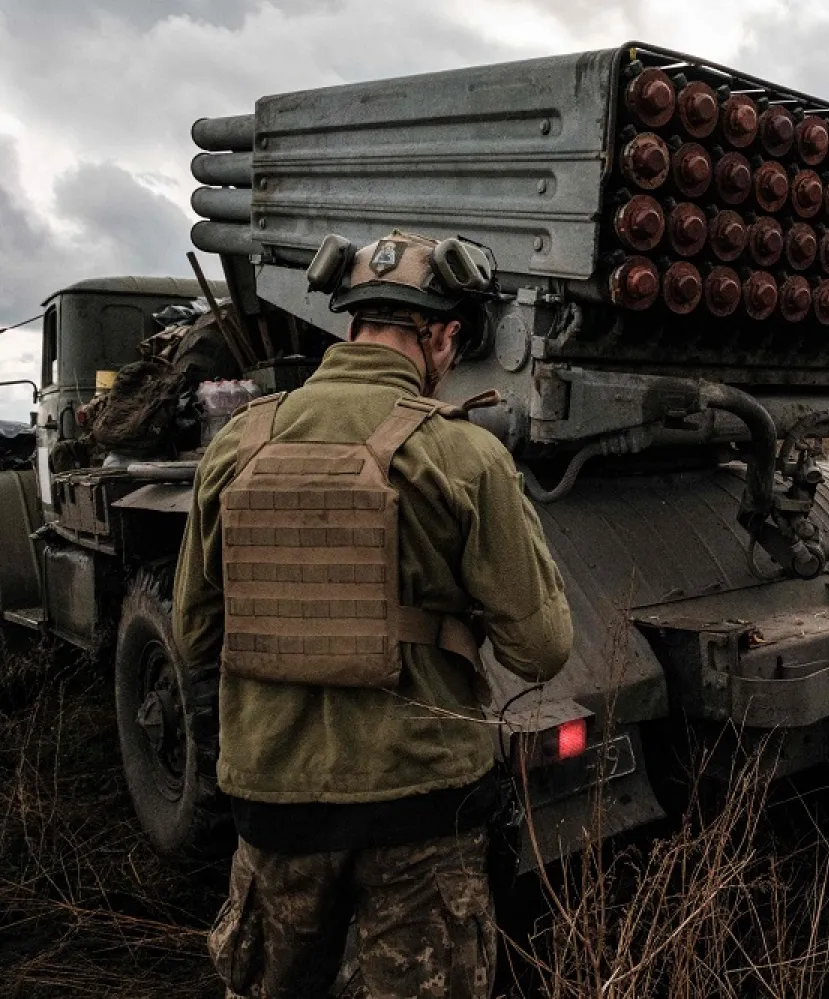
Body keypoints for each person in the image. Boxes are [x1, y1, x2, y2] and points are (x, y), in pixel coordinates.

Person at [174, 231, 575, 997]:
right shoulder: (466, 456)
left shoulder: (237, 443)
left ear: (349, 324)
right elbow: (542, 649)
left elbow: (194, 634)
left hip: (274, 803)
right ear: (444, 336)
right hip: (421, 811)